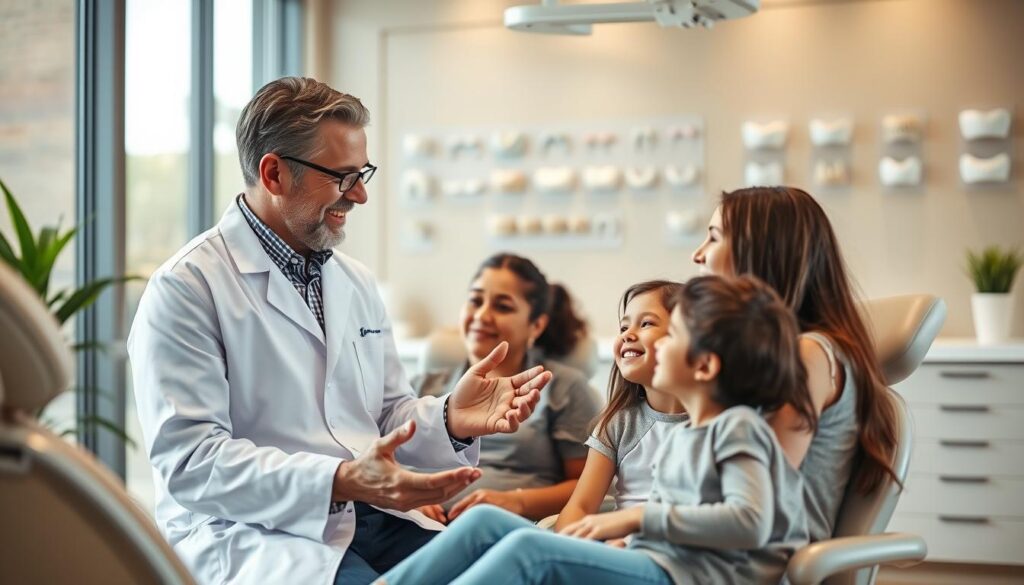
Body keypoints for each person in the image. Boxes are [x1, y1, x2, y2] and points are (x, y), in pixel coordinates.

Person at [126, 77, 551, 585]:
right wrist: (342, 479)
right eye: (343, 177)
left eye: (363, 173)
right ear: (275, 172)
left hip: (370, 518)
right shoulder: (187, 288)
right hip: (261, 534)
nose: (362, 194)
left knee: (526, 559)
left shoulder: (354, 281)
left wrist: (451, 418)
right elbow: (193, 464)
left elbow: (387, 412)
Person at [374, 275, 815, 585]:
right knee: (488, 521)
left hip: (688, 578)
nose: (650, 345)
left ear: (704, 364)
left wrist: (635, 519)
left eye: (671, 334)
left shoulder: (736, 429)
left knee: (530, 554)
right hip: (656, 562)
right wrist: (629, 536)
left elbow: (751, 522)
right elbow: (670, 522)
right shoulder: (684, 437)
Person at [691, 185, 899, 542]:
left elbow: (755, 497)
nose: (698, 255)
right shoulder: (765, 359)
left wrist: (642, 524)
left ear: (760, 254)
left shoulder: (809, 356)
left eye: (713, 238)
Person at [414, 253, 601, 523]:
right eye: (475, 301)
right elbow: (381, 465)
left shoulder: (564, 388)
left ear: (537, 325)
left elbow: (589, 487)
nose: (481, 315)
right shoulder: (421, 386)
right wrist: (406, 501)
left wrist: (516, 501)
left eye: (502, 306)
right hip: (411, 525)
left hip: (500, 531)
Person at [555, 280, 688, 532]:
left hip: (665, 554)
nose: (627, 334)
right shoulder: (617, 424)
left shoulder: (715, 425)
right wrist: (567, 547)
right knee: (484, 519)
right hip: (615, 549)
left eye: (646, 323)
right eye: (624, 326)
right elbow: (580, 506)